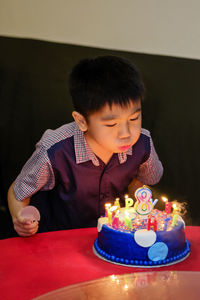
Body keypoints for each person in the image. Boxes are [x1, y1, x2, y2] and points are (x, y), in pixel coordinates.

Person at [7, 55, 163, 237]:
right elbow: (18, 192)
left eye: (134, 118)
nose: (126, 133)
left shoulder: (142, 144)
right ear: (81, 121)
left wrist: (142, 200)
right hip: (60, 239)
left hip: (114, 238)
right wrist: (21, 217)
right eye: (112, 124)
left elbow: (143, 182)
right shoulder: (54, 150)